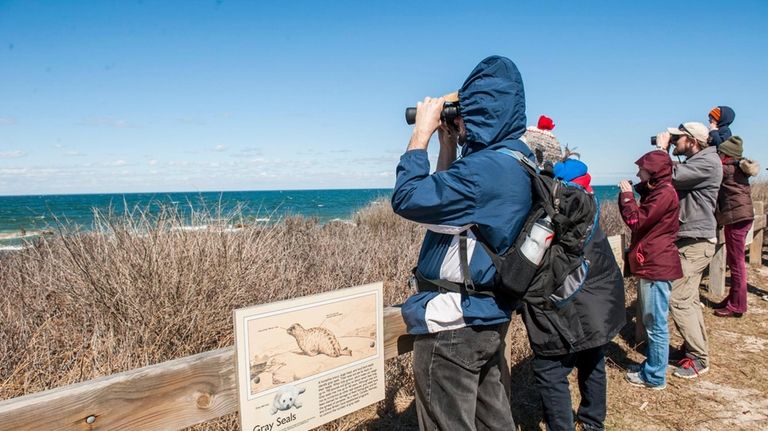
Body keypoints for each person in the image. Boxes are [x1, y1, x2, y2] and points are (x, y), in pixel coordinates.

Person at [391, 55, 531, 430]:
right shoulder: (514, 160)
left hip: (455, 325)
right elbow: (447, 208)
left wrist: (420, 135)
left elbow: (409, 198)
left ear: (479, 111)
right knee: (493, 419)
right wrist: (448, 144)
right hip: (488, 315)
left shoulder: (485, 170)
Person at [526, 155, 625, 430]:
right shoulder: (589, 206)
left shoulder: (564, 211)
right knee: (592, 359)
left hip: (577, 304)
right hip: (601, 302)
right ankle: (593, 422)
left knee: (549, 370)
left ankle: (562, 426)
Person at [655, 122, 723, 379]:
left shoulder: (706, 162)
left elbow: (669, 176)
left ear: (693, 141)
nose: (674, 142)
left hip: (696, 241)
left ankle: (698, 357)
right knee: (689, 298)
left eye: (678, 138)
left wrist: (662, 152)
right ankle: (694, 349)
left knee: (678, 298)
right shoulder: (700, 160)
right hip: (692, 239)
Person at [618, 150, 683, 390]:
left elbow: (636, 221)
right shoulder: (662, 190)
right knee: (651, 319)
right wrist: (642, 189)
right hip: (655, 262)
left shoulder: (664, 193)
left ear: (653, 171)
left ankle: (655, 376)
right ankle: (653, 365)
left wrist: (627, 196)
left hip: (657, 265)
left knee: (655, 322)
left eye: (642, 170)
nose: (637, 173)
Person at [713, 136, 760, 318]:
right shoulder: (739, 168)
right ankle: (733, 299)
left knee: (737, 264)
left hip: (736, 219)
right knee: (736, 262)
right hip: (744, 216)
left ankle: (737, 306)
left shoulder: (727, 170)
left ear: (726, 155)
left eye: (720, 152)